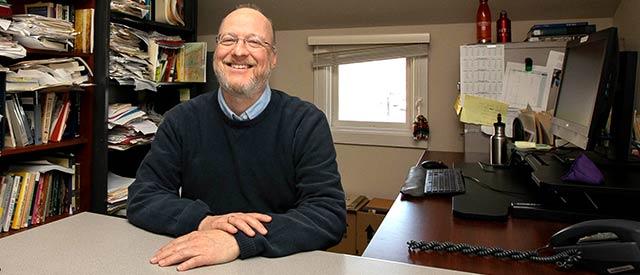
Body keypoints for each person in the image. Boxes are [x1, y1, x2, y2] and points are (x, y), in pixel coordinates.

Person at [127, 5, 346, 272]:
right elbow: (143, 197)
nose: (239, 51)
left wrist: (238, 240)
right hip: (201, 264)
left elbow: (328, 214)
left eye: (254, 41)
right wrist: (206, 222)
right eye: (228, 40)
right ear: (216, 51)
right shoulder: (181, 120)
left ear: (273, 57)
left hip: (280, 266)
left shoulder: (306, 122)